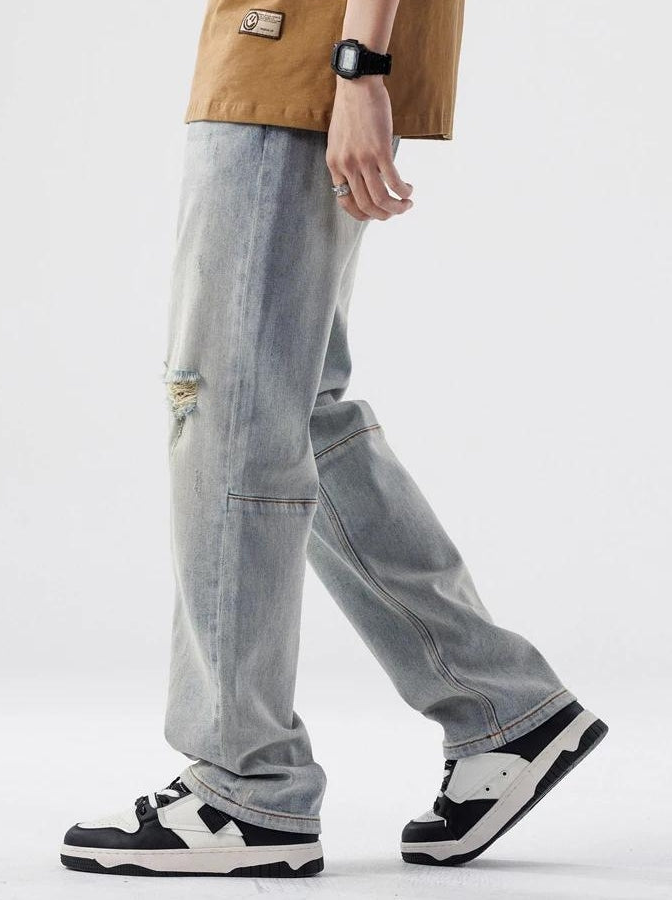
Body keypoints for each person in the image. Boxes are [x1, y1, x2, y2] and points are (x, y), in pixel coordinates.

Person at [60, 0, 607, 878]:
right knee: (289, 406)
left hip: (293, 52)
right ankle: (502, 708)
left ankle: (247, 786)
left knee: (228, 409)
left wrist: (359, 64)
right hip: (280, 54)